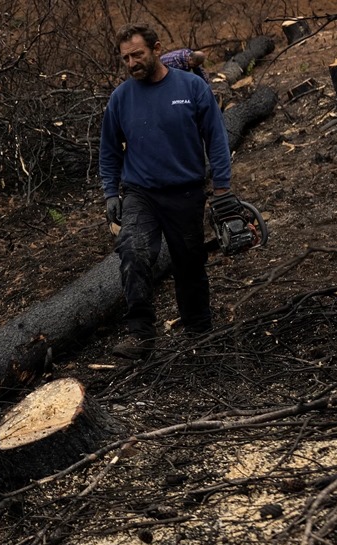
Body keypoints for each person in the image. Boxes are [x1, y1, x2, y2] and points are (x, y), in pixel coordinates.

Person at [99, 24, 232, 360]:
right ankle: (141, 335)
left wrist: (222, 188)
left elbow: (216, 138)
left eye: (137, 54)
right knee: (133, 252)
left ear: (157, 49)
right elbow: (109, 150)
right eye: (125, 58)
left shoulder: (191, 87)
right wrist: (110, 193)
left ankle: (199, 330)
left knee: (188, 260)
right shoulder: (120, 99)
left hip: (185, 191)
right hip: (140, 192)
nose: (131, 63)